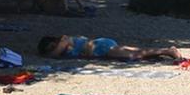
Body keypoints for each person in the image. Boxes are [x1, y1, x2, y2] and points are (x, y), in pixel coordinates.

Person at [36, 33, 182, 62]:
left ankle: (167, 51)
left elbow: (54, 55)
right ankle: (164, 51)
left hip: (100, 47)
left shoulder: (64, 40)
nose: (54, 48)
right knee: (136, 51)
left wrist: (46, 54)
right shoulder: (65, 43)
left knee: (133, 55)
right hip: (101, 46)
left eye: (52, 46)